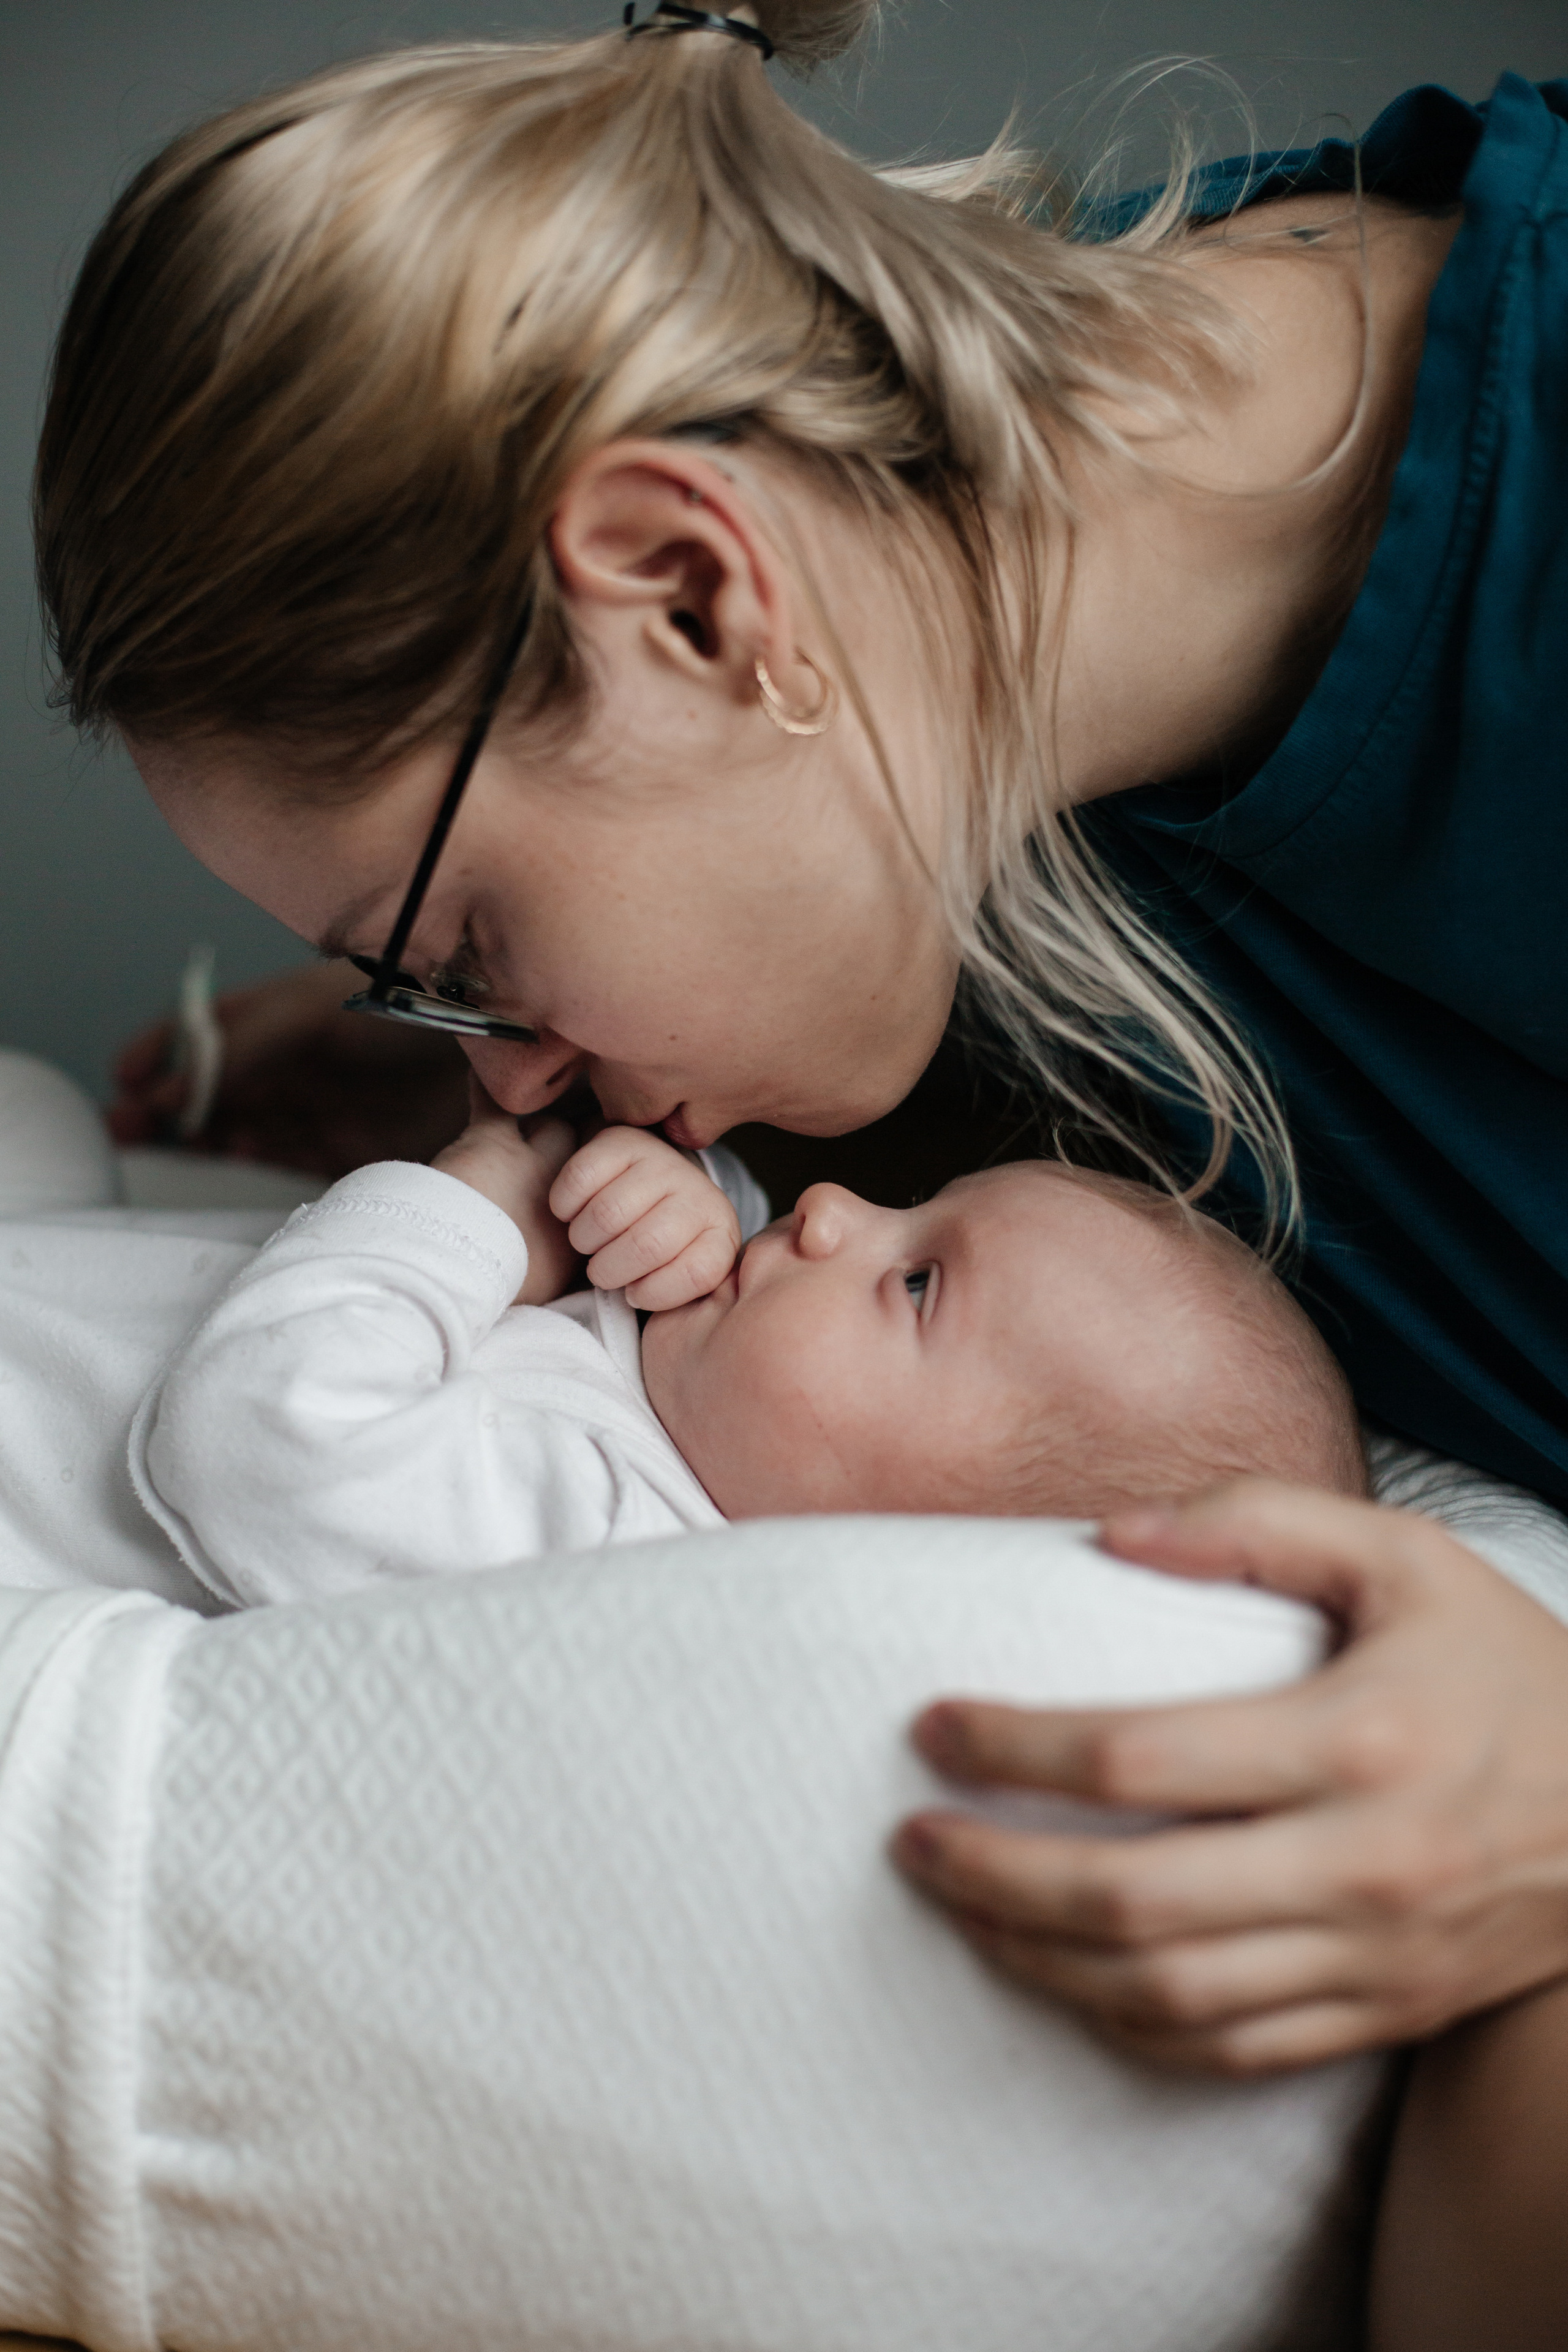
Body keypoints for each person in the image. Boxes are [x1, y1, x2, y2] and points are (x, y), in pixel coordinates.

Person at [25, 0, 1568, 2334]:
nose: (508, 1050)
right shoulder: (955, 771)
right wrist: (487, 1111)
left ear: (691, 587)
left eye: (463, 943)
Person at [129, 1087, 1364, 1608]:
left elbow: (262, 1443)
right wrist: (657, 1197)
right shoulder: (717, 1370)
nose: (831, 1208)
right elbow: (695, 1250)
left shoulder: (607, 1539)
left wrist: (479, 1204)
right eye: (912, 1202)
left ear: (910, 1554)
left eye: (918, 1282)